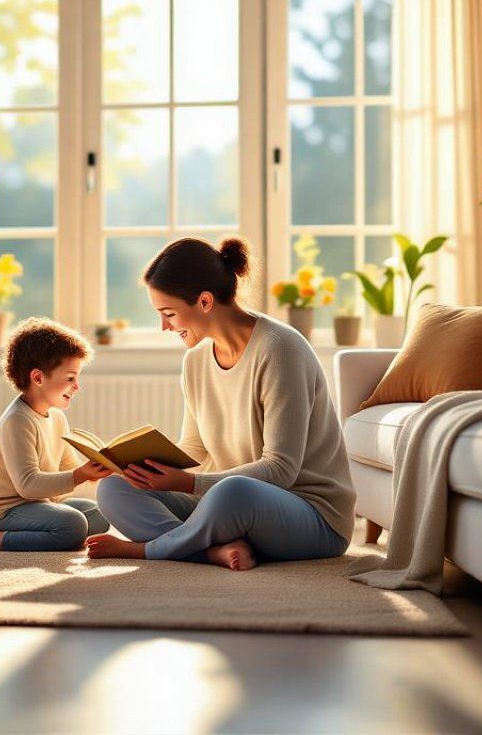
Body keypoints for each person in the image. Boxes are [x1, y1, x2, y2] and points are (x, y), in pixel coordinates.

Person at [86, 237, 355, 571]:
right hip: (226, 505)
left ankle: (149, 549)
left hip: (311, 515)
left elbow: (281, 470)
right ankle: (209, 551)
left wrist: (187, 483)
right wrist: (144, 467)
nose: (164, 326)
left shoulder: (281, 349)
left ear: (204, 301)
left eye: (169, 314)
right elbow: (194, 448)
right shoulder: (196, 360)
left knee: (233, 493)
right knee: (113, 488)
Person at [0, 318, 115, 552]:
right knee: (73, 524)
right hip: (8, 511)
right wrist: (79, 475)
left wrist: (97, 472)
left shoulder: (56, 417)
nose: (77, 387)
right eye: (70, 378)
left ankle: (57, 534)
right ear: (38, 378)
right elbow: (28, 486)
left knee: (99, 514)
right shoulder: (17, 420)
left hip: (42, 504)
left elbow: (67, 468)